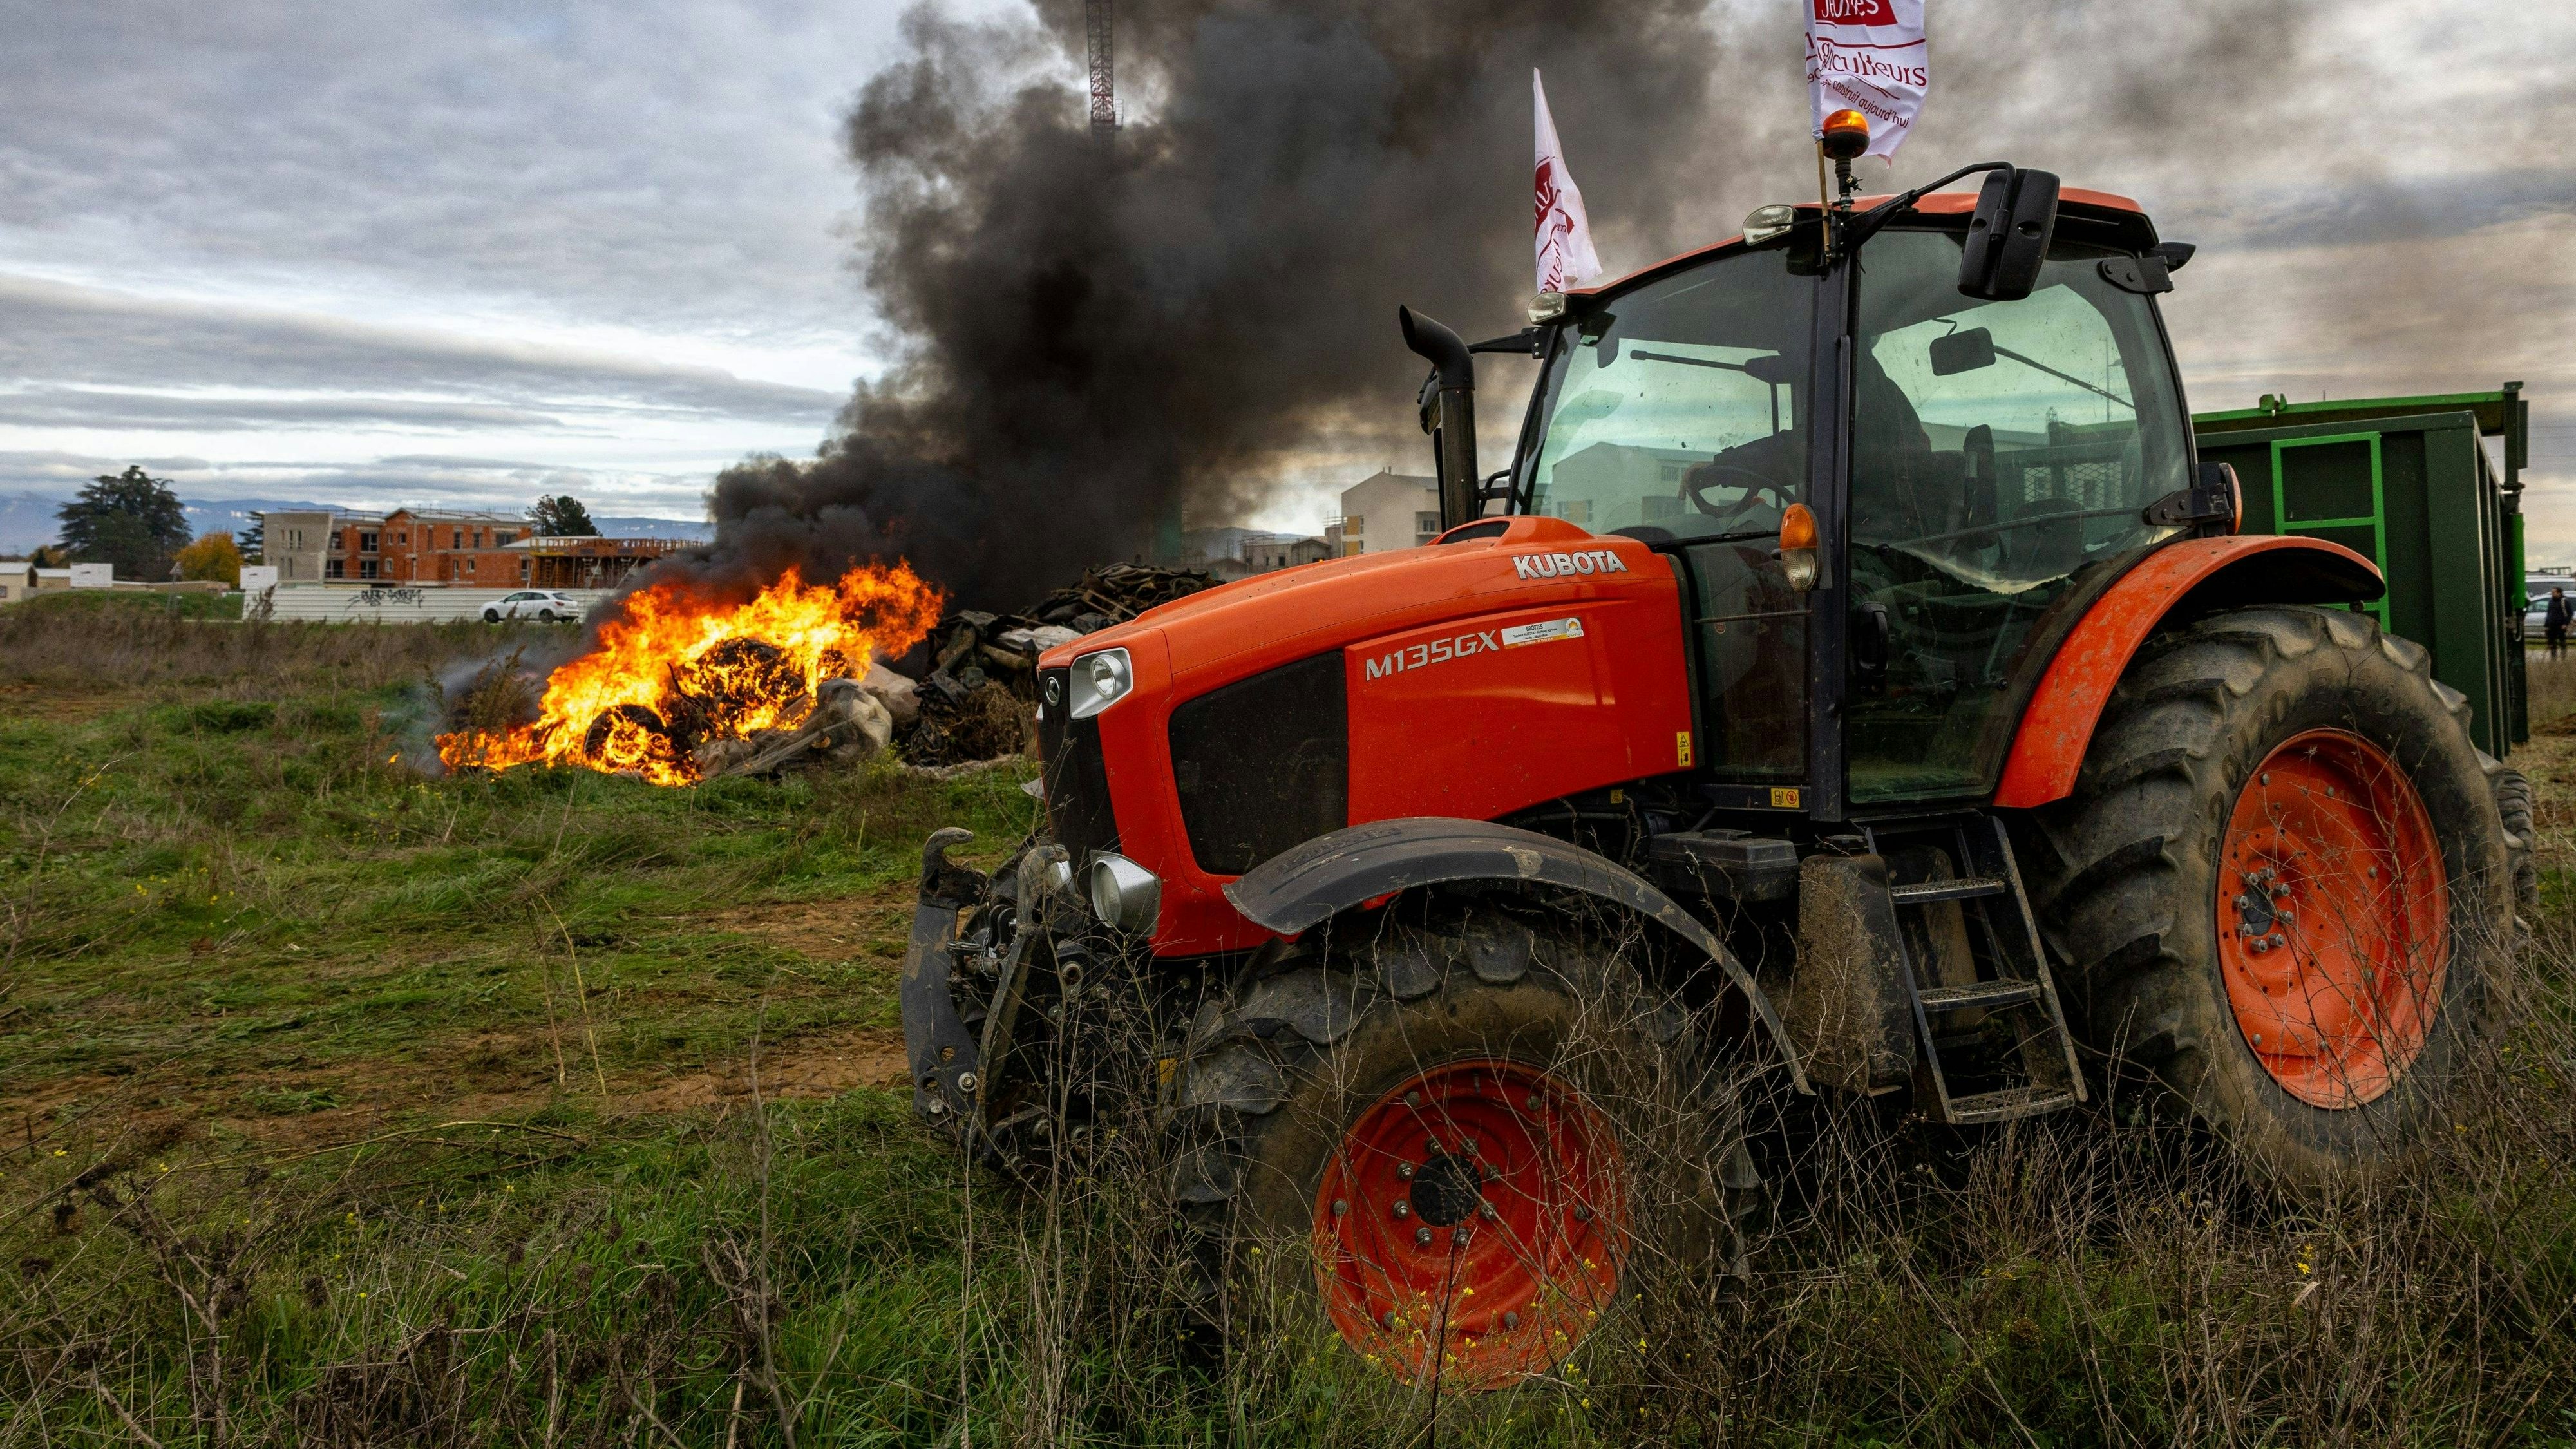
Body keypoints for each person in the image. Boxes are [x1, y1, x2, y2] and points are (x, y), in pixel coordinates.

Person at [2547, 586, 2572, 661]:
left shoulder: (2564, 601)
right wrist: (2546, 625)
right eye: (2552, 593)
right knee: (2552, 643)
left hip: (2561, 626)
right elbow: (2549, 613)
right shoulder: (2551, 601)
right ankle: (2553, 658)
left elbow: (2570, 613)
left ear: (2559, 593)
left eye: (2554, 592)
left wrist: (2565, 624)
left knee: (2562, 642)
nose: (2552, 594)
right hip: (2552, 625)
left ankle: (2563, 658)